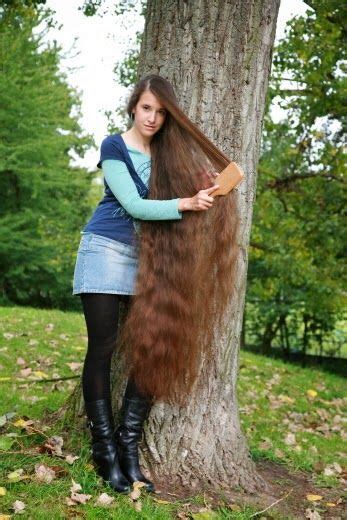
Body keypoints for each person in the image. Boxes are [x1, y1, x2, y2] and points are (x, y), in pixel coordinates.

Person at [72, 74, 239, 494]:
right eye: (147, 108)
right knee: (104, 347)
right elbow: (132, 204)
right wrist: (184, 202)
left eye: (161, 112)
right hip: (107, 248)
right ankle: (104, 451)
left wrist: (207, 185)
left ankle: (129, 451)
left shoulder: (168, 154)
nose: (152, 118)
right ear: (133, 107)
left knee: (150, 348)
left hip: (150, 259)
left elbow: (201, 188)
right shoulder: (114, 146)